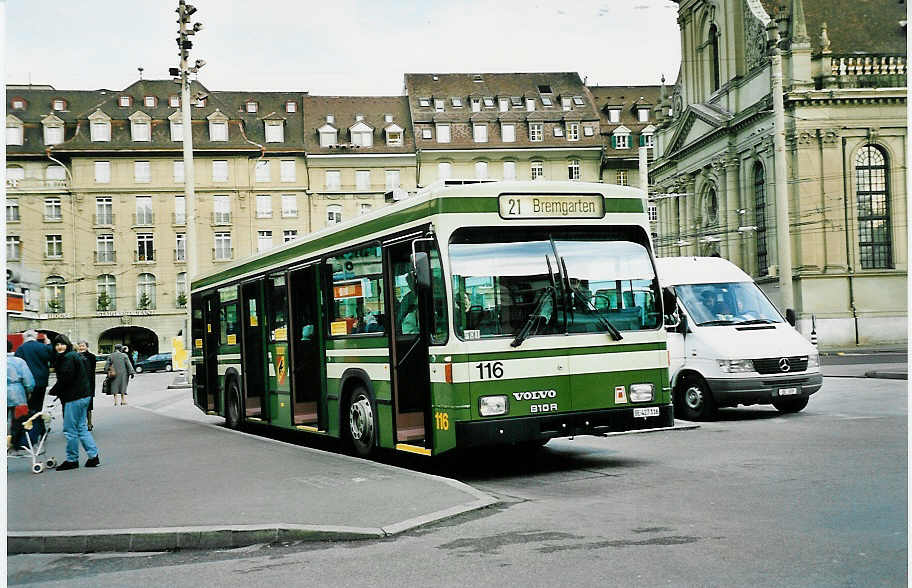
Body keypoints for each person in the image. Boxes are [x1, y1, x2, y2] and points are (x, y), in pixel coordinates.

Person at [48, 334, 99, 470]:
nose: (59, 347)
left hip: (73, 397)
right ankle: (93, 457)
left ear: (67, 344)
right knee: (81, 427)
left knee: (70, 430)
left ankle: (72, 459)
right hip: (83, 396)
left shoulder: (67, 358)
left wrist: (53, 391)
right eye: (57, 344)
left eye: (62, 344)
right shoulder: (74, 355)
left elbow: (66, 378)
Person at [14, 330, 53, 412]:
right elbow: (51, 356)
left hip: (27, 382)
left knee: (29, 405)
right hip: (42, 381)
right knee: (39, 405)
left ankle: (30, 421)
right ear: (35, 337)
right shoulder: (42, 347)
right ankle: (38, 420)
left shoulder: (20, 349)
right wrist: (48, 343)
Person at [7, 340, 34, 455]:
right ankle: (14, 442)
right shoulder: (19, 361)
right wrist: (29, 391)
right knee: (18, 420)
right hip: (17, 394)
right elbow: (28, 381)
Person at [76, 340, 97, 431]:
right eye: (80, 346)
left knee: (88, 406)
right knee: (79, 406)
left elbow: (92, 371)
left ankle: (89, 423)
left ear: (87, 347)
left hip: (89, 383)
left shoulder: (92, 357)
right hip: (78, 385)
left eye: (83, 346)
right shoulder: (75, 356)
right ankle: (81, 423)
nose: (81, 348)